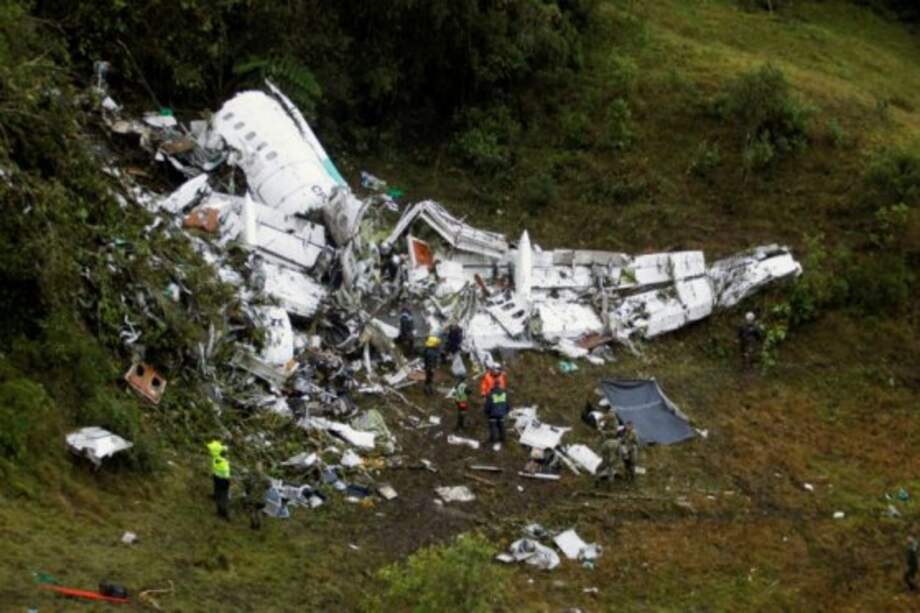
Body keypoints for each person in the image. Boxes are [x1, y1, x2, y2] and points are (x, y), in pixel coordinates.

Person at [206, 440, 231, 520]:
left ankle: (223, 513)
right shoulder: (222, 459)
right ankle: (223, 511)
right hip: (223, 479)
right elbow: (224, 448)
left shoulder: (218, 460)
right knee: (222, 495)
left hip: (221, 479)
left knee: (222, 497)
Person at [242, 462, 268, 531]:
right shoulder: (265, 477)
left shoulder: (251, 476)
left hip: (252, 497)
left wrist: (245, 474)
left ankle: (253, 525)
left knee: (252, 511)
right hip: (261, 498)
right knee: (259, 511)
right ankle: (259, 526)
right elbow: (269, 486)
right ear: (262, 468)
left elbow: (245, 482)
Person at [484, 384, 510, 449]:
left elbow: (488, 405)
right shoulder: (504, 394)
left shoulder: (490, 394)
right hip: (502, 413)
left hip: (493, 414)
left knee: (493, 427)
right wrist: (506, 412)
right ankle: (503, 439)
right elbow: (507, 404)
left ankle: (494, 440)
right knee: (501, 426)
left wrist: (487, 412)